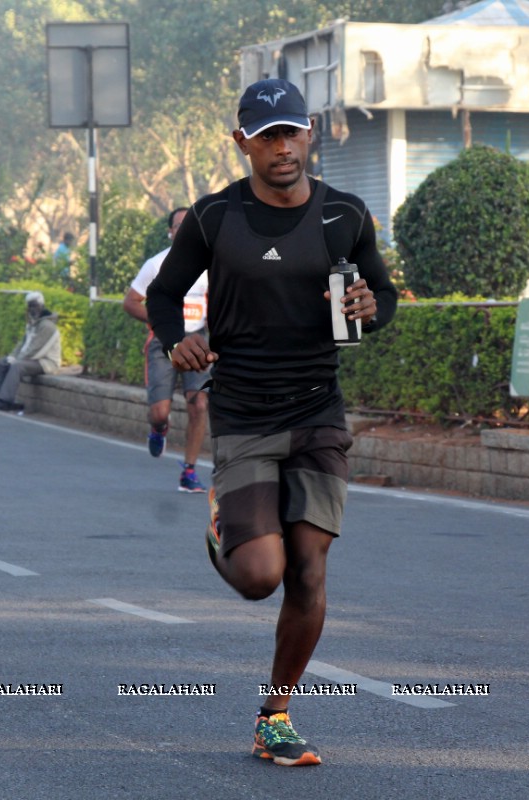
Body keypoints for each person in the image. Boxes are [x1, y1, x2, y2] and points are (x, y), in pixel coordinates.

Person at [146, 78, 397, 767]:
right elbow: (165, 296)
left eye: (291, 133)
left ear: (309, 133)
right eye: (267, 137)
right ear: (243, 143)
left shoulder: (344, 214)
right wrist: (178, 341)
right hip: (244, 411)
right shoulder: (214, 218)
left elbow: (382, 296)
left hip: (318, 408)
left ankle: (275, 716)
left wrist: (375, 309)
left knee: (309, 568)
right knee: (260, 575)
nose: (282, 148)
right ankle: (224, 527)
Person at [123, 208, 210, 493]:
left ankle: (189, 470)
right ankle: (158, 428)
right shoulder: (156, 265)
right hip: (164, 341)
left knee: (199, 403)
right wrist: (161, 321)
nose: (184, 230)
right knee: (160, 412)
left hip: (198, 339)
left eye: (190, 225)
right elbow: (131, 302)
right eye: (179, 226)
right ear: (170, 232)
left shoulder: (210, 265)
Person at [0, 290, 60, 411]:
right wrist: (11, 357)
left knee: (16, 366)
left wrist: (17, 360)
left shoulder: (47, 326)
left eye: (34, 306)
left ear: (41, 306)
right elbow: (21, 344)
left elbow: (37, 350)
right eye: (29, 306)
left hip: (46, 362)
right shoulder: (33, 324)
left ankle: (5, 400)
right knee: (3, 361)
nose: (32, 309)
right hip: (32, 360)